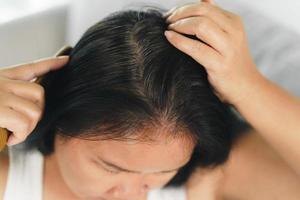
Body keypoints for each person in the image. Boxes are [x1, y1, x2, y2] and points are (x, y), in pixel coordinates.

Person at [0, 1, 300, 200]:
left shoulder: (209, 174)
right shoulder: (10, 180)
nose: (133, 195)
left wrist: (249, 87)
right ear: (57, 119)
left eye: (159, 173)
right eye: (110, 168)